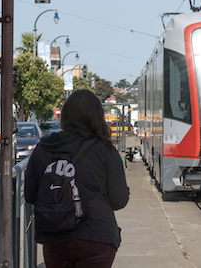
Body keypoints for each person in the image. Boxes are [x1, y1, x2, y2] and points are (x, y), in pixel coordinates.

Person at [25, 89, 129, 268]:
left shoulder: (44, 148)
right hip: (97, 236)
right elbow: (119, 200)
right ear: (97, 116)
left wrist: (58, 205)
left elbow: (30, 195)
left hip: (55, 237)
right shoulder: (105, 150)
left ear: (65, 116)